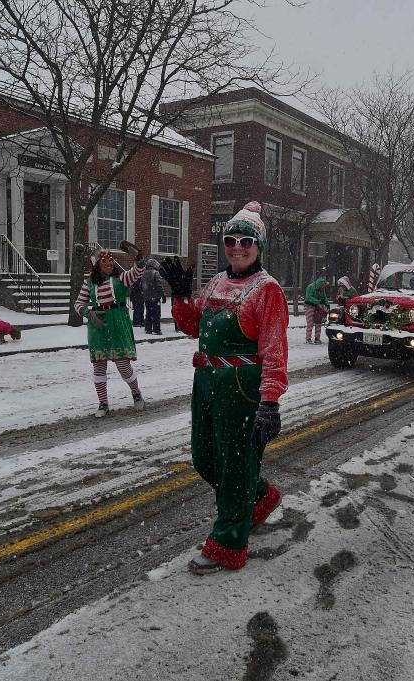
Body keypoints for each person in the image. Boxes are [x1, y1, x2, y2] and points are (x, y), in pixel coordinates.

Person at [161, 200, 288, 575]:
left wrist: (269, 402)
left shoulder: (268, 290)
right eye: (231, 239)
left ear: (259, 246)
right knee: (207, 459)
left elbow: (274, 351)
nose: (237, 246)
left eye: (246, 241)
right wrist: (182, 295)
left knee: (234, 466)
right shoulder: (217, 281)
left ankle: (229, 541)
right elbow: (192, 325)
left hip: (241, 388)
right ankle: (260, 494)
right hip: (206, 383)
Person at [73, 244, 147, 417]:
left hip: (117, 324)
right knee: (99, 366)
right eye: (105, 262)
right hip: (98, 326)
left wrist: (138, 258)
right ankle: (103, 403)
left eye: (111, 261)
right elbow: (78, 304)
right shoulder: (89, 283)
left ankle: (136, 394)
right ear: (97, 264)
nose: (109, 264)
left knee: (123, 365)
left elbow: (138, 272)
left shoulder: (121, 279)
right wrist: (88, 313)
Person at [140, 259, 167, 335]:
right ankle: (156, 329)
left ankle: (148, 329)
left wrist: (144, 294)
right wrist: (163, 295)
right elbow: (159, 286)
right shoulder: (156, 273)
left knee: (148, 313)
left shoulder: (144, 274)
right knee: (156, 314)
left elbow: (141, 286)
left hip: (147, 298)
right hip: (155, 298)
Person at [304, 273, 331, 344]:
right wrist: (318, 301)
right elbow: (308, 297)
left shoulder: (322, 289)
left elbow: (324, 297)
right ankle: (308, 338)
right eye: (322, 286)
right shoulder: (310, 287)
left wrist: (327, 304)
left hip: (318, 307)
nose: (323, 288)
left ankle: (317, 338)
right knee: (310, 323)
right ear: (319, 284)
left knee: (318, 322)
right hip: (309, 306)